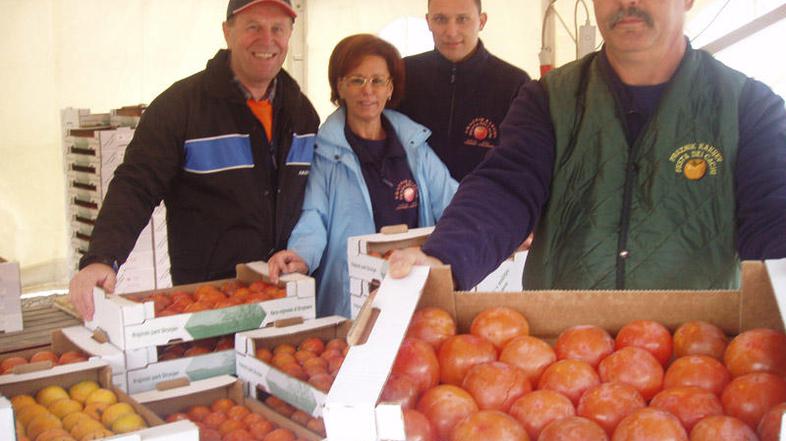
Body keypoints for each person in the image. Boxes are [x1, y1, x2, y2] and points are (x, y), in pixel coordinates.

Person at [390, 0, 786, 291]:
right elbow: (505, 188)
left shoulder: (747, 107)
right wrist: (443, 259)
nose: (627, 3)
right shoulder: (548, 99)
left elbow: (773, 212)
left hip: (697, 361)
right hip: (566, 358)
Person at [69, 0, 320, 320]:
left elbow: (317, 203)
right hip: (210, 301)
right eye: (253, 27)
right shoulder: (180, 108)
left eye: (278, 29)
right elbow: (136, 184)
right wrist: (102, 258)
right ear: (227, 32)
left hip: (288, 295)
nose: (267, 39)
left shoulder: (302, 113)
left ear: (289, 35)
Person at [268, 34, 458, 318]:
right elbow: (313, 216)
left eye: (377, 81)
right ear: (340, 87)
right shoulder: (324, 151)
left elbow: (451, 200)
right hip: (352, 296)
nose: (368, 91)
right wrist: (301, 256)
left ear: (390, 88)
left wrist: (494, 231)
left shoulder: (414, 145)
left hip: (414, 288)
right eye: (357, 80)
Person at [397, 0, 531, 181]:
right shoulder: (403, 74)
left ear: (481, 21)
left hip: (484, 205)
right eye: (440, 19)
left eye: (462, 19)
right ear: (428, 21)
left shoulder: (514, 82)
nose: (451, 32)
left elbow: (523, 160)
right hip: (411, 203)